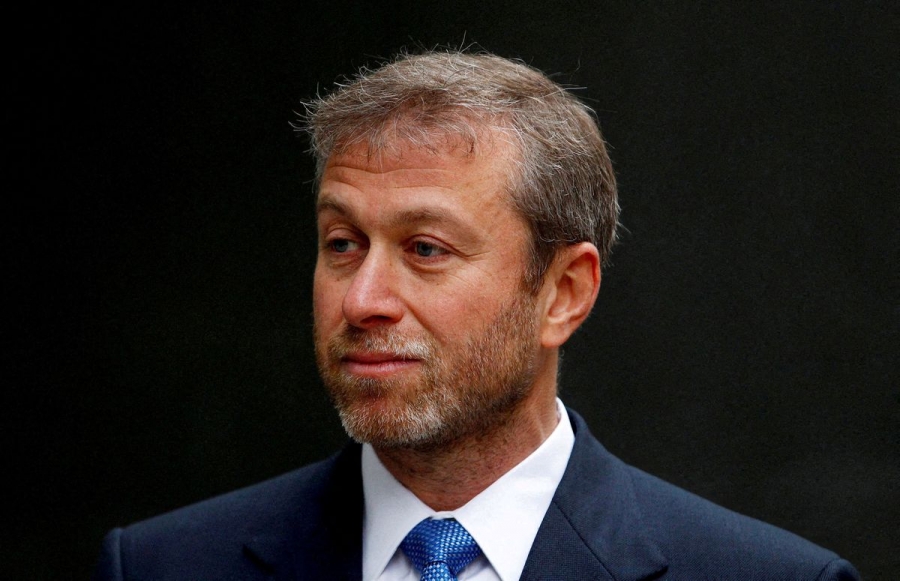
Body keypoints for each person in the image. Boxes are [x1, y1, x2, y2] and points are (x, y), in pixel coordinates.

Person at [93, 50, 860, 581]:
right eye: (342, 243)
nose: (362, 299)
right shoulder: (163, 566)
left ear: (563, 292)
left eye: (425, 248)